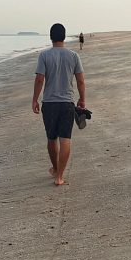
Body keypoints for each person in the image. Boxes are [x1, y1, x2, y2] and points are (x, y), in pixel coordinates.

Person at [32, 23, 86, 186]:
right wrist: (82, 99)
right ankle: (59, 176)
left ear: (51, 37)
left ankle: (56, 168)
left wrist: (34, 99)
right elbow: (80, 80)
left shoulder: (44, 56)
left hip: (49, 103)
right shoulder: (73, 56)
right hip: (67, 103)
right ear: (64, 36)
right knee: (65, 139)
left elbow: (40, 79)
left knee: (51, 138)